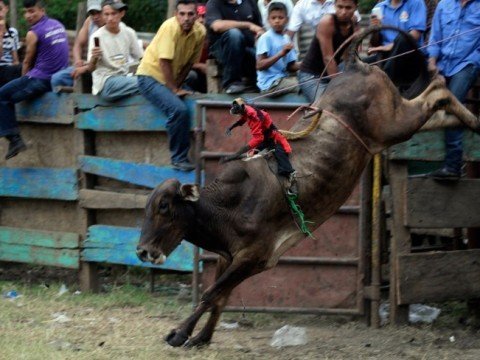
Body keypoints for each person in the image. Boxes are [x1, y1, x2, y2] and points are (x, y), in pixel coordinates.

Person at [136, 0, 205, 171]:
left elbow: (189, 63)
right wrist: (173, 90)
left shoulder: (200, 31)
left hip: (171, 77)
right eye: (182, 14)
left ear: (197, 15)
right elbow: (164, 61)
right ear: (176, 15)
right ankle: (178, 158)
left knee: (194, 80)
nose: (186, 18)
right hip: (149, 76)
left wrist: (178, 85)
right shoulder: (170, 28)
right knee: (178, 110)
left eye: (190, 14)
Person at [0, 0, 68, 160]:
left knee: (2, 95)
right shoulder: (57, 24)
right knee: (12, 93)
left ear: (42, 10)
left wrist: (24, 79)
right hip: (58, 76)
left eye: (32, 11)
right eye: (26, 12)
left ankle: (14, 139)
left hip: (41, 79)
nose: (28, 16)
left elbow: (27, 62)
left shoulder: (33, 32)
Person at [425, 0, 480, 180]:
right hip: (442, 64)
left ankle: (453, 166)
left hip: (468, 63)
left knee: (452, 101)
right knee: (422, 98)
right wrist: (433, 64)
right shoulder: (444, 4)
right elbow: (435, 37)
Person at [222, 97, 298, 195]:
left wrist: (237, 154)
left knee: (280, 154)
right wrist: (231, 127)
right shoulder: (247, 110)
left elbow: (258, 138)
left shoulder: (254, 116)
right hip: (265, 138)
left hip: (272, 137)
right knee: (252, 154)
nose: (239, 114)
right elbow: (242, 120)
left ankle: (291, 177)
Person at [298, 0, 358, 102]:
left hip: (334, 70)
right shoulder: (327, 22)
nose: (343, 12)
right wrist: (340, 87)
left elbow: (348, 54)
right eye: (340, 7)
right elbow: (328, 58)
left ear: (356, 7)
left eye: (348, 8)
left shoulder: (353, 21)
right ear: (334, 6)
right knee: (329, 104)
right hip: (312, 76)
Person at [86, 0, 143, 101]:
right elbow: (90, 69)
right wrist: (94, 58)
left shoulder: (128, 33)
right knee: (145, 83)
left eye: (113, 14)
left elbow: (141, 58)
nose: (110, 18)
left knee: (150, 82)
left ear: (122, 14)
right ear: (102, 16)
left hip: (123, 78)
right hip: (106, 82)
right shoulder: (97, 36)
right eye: (106, 14)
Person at [206, 0, 264, 94]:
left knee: (263, 52)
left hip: (248, 49)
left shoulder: (250, 2)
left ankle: (266, 85)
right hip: (224, 50)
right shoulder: (214, 3)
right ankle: (231, 83)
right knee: (234, 34)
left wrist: (260, 35)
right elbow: (217, 26)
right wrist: (248, 25)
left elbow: (259, 27)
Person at [368, 0, 427, 91]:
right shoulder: (379, 7)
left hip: (411, 55)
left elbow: (415, 34)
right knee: (357, 65)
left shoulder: (417, 3)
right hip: (386, 55)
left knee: (403, 38)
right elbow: (374, 43)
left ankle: (383, 84)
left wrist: (390, 46)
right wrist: (375, 30)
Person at [50, 0, 105, 90]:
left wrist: (86, 67)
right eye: (92, 13)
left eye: (98, 12)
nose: (95, 17)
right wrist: (78, 60)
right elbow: (78, 44)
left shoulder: (112, 28)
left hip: (102, 70)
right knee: (56, 78)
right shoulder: (89, 21)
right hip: (88, 66)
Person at [256, 2, 299, 97]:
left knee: (308, 81)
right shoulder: (266, 37)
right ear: (268, 20)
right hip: (270, 84)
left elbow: (290, 66)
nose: (277, 21)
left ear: (287, 20)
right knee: (302, 86)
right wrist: (281, 53)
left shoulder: (286, 38)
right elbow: (259, 65)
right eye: (273, 18)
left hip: (282, 79)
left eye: (280, 18)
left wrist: (308, 64)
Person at [286, 0, 360, 39]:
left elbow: (356, 22)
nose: (344, 11)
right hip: (320, 44)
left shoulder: (344, 2)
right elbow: (290, 32)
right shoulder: (301, 6)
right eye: (340, 7)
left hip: (345, 42)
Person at [184, 3, 208, 93]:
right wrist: (199, 66)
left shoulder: (213, 38)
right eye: (198, 17)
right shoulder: (186, 35)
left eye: (204, 16)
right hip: (189, 71)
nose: (201, 20)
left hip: (207, 73)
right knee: (191, 75)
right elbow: (180, 61)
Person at [0, 1, 21, 87]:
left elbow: (15, 60)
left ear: (6, 9)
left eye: (0, 9)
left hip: (9, 69)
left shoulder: (12, 32)